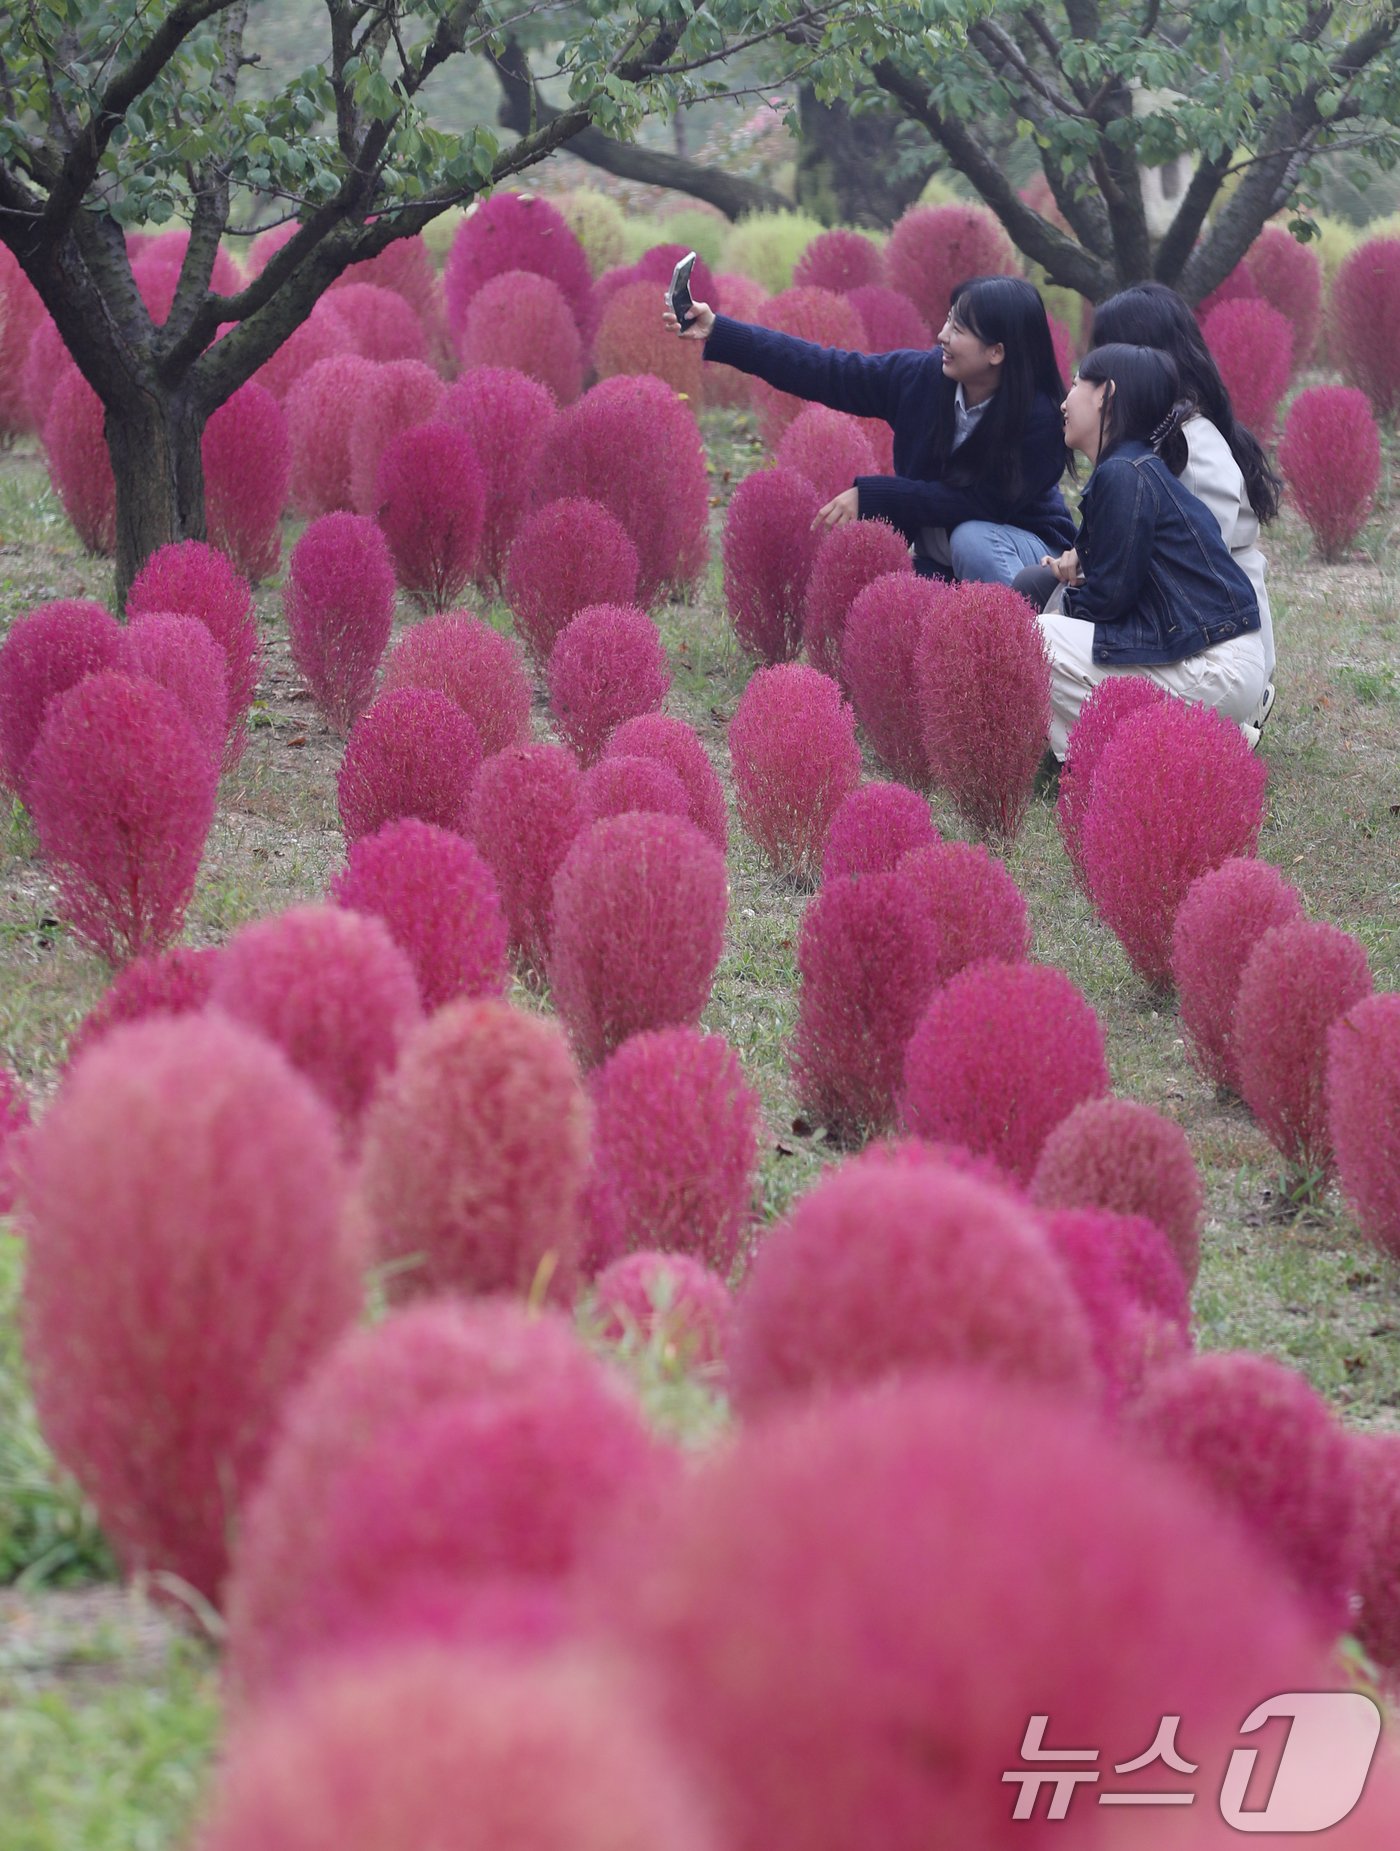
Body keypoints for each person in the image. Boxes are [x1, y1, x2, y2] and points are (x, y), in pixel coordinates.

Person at [664, 274, 1074, 583]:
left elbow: (977, 504)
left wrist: (874, 494)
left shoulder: (1039, 419)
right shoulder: (923, 378)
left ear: (997, 352)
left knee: (972, 539)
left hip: (1032, 558)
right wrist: (722, 332)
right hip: (943, 562)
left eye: (959, 330)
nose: (942, 336)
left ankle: (1026, 647)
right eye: (948, 322)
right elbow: (828, 371)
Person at [1011, 344, 1267, 760]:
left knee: (1037, 637)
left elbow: (1110, 600)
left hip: (1215, 667)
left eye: (1076, 384)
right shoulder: (1134, 467)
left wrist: (1063, 609)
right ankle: (1211, 742)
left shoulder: (1123, 473)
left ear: (1105, 395)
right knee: (1050, 626)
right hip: (1219, 661)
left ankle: (1166, 752)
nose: (1064, 401)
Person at [1090, 281, 1280, 729]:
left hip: (1212, 645)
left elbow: (1193, 573)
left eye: (1103, 356)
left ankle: (1224, 729)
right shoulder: (1164, 436)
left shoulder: (1192, 448)